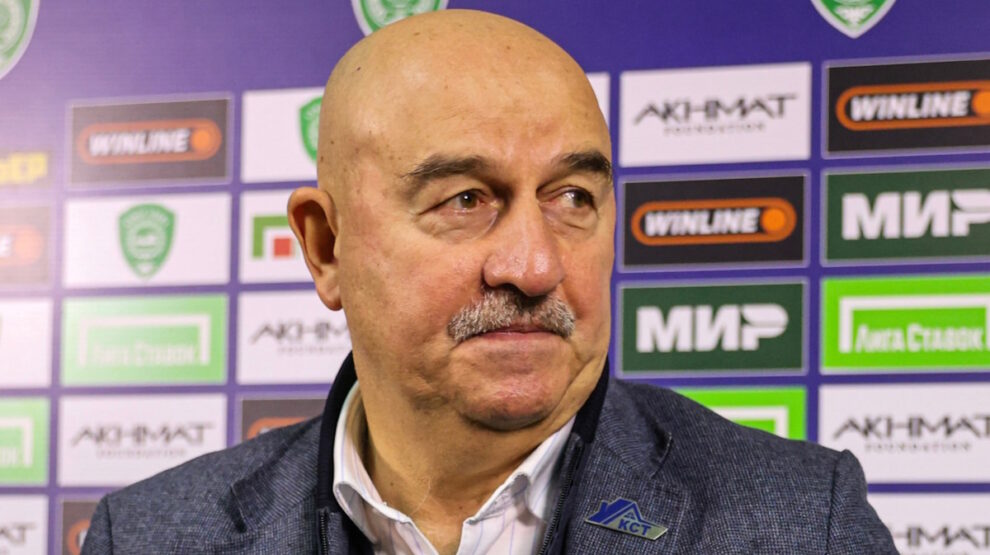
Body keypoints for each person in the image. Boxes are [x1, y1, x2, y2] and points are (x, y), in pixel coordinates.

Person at [82, 9, 896, 554]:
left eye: (572, 198)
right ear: (326, 246)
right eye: (466, 200)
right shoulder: (150, 535)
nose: (535, 266)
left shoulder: (804, 522)